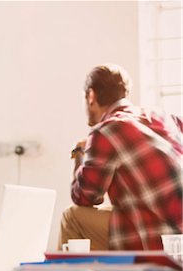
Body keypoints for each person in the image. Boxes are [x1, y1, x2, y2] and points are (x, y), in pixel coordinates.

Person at [59, 64, 182, 250]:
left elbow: (85, 196)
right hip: (177, 238)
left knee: (73, 217)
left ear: (91, 96)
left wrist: (78, 154)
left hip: (158, 241)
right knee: (120, 210)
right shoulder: (165, 117)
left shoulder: (106, 130)